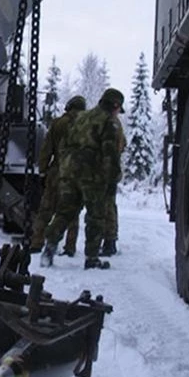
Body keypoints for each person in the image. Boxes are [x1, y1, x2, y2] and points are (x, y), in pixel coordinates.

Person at [40, 88, 125, 269]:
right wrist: (113, 178)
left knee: (64, 212)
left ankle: (49, 249)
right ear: (115, 105)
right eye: (119, 109)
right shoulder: (108, 122)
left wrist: (65, 168)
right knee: (95, 216)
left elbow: (64, 143)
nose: (118, 113)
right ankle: (91, 258)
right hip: (92, 175)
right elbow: (111, 153)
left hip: (69, 172)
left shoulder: (81, 117)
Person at [30, 95, 86, 256]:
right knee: (72, 212)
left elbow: (46, 149)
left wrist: (42, 170)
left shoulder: (58, 123)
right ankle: (69, 247)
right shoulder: (87, 125)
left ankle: (37, 242)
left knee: (45, 209)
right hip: (76, 175)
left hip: (56, 173)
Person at [99, 114, 126, 256]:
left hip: (107, 171)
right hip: (111, 171)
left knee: (107, 207)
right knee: (109, 206)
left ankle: (109, 243)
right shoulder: (116, 123)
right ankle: (109, 242)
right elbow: (123, 145)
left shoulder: (110, 123)